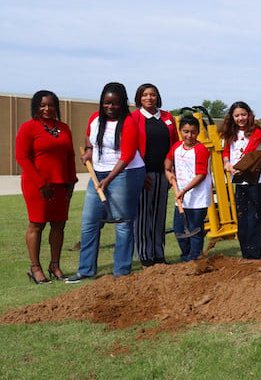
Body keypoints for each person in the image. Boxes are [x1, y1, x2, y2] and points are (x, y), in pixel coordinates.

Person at [67, 82, 146, 282]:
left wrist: (109, 180)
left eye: (115, 104)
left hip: (124, 173)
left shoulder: (128, 123)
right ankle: (86, 270)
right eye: (106, 103)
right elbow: (89, 139)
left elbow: (127, 155)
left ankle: (121, 272)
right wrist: (89, 152)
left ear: (122, 104)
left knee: (122, 221)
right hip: (99, 173)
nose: (110, 107)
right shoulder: (95, 119)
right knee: (89, 222)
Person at [16, 90, 77, 283]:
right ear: (35, 107)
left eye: (50, 105)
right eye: (42, 105)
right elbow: (22, 158)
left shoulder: (64, 128)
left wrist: (71, 181)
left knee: (59, 225)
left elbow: (70, 156)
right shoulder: (28, 128)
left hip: (61, 184)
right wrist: (41, 184)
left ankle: (54, 265)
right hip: (37, 185)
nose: (46, 109)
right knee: (37, 224)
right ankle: (35, 268)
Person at [132, 83, 178, 267]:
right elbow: (131, 147)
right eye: (145, 95)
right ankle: (145, 255)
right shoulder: (134, 118)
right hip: (143, 174)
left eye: (152, 95)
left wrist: (171, 170)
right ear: (139, 98)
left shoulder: (167, 118)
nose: (149, 98)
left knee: (159, 215)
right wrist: (138, 173)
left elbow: (174, 145)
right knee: (143, 217)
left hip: (163, 173)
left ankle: (158, 253)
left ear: (157, 97)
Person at [164, 115, 211, 262]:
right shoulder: (177, 146)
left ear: (197, 133)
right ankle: (185, 257)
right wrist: (167, 171)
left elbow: (201, 175)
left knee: (194, 230)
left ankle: (194, 259)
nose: (189, 135)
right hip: (181, 198)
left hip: (197, 199)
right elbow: (168, 159)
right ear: (180, 131)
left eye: (192, 132)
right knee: (179, 230)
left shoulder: (201, 150)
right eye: (185, 131)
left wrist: (184, 190)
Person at [222, 101, 261, 260]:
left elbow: (250, 151)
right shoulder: (229, 133)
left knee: (254, 218)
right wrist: (227, 162)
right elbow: (226, 150)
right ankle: (246, 254)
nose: (241, 118)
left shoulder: (256, 132)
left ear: (249, 115)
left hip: (254, 181)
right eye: (237, 115)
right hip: (239, 181)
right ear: (232, 117)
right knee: (242, 218)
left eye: (243, 115)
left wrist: (238, 166)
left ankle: (255, 255)